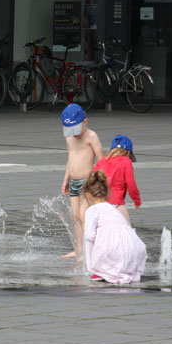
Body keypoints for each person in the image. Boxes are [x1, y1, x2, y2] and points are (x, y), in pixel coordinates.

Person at [83, 170, 146, 284]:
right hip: (135, 248)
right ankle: (120, 268)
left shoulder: (92, 210)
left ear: (87, 195)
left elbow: (89, 235)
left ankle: (100, 270)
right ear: (107, 193)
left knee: (89, 239)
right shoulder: (113, 208)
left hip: (114, 250)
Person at [60, 103, 103, 262]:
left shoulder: (91, 136)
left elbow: (101, 160)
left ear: (85, 121)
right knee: (75, 216)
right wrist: (66, 178)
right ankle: (79, 250)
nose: (74, 134)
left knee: (85, 216)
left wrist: (96, 181)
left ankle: (90, 250)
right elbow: (70, 156)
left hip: (87, 182)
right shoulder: (70, 137)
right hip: (74, 181)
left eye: (76, 130)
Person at [92, 135, 141, 226]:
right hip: (116, 203)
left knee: (103, 231)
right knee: (127, 232)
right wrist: (137, 200)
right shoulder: (126, 161)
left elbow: (91, 181)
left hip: (100, 203)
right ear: (128, 152)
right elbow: (131, 183)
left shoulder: (102, 161)